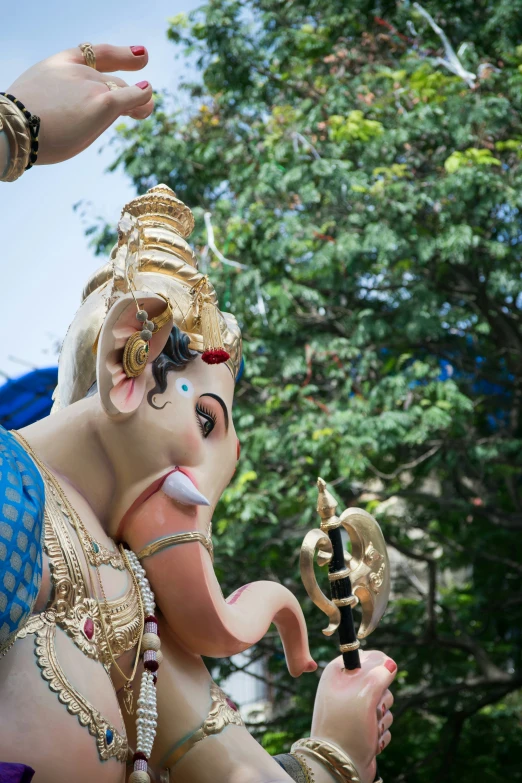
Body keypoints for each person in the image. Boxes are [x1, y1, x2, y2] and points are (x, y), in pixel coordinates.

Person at [0, 43, 396, 783]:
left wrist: (335, 749)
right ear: (130, 360)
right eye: (206, 420)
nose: (216, 466)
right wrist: (13, 128)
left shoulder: (131, 602)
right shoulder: (10, 490)